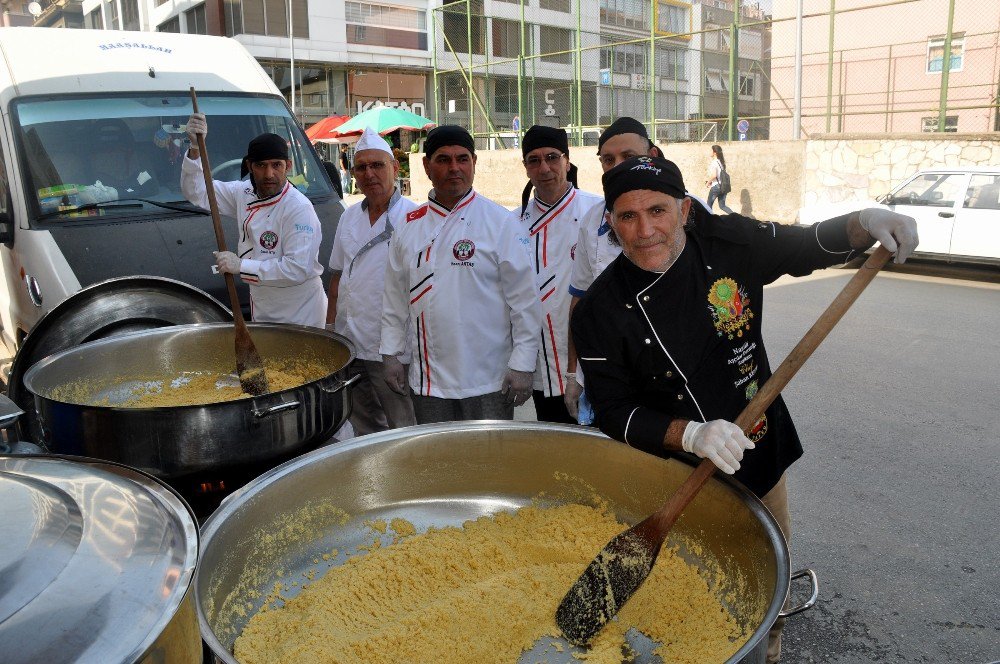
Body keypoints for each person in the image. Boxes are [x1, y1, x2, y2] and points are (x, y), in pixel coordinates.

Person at [571, 155, 919, 663]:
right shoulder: (601, 311)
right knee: (681, 580)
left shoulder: (731, 245)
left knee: (764, 574)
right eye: (627, 216)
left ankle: (766, 652)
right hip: (666, 469)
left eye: (658, 211)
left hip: (756, 456)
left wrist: (865, 222)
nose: (644, 230)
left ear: (685, 209)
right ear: (610, 221)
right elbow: (611, 411)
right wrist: (690, 435)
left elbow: (809, 245)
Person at [379, 125, 541, 423]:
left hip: (488, 379)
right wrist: (391, 354)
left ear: (474, 163)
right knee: (439, 463)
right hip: (428, 379)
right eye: (443, 159)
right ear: (426, 166)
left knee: (489, 461)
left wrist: (523, 364)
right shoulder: (409, 226)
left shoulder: (500, 222)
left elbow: (525, 302)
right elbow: (395, 298)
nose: (454, 168)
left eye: (462, 159)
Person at [182, 113, 327, 328]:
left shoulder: (298, 208)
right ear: (250, 166)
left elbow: (296, 270)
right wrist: (195, 148)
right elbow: (198, 192)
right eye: (261, 165)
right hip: (263, 306)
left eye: (276, 165)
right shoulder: (243, 193)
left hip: (299, 312)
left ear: (288, 166)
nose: (269, 174)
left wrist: (241, 266)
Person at [563, 117, 663, 421]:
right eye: (608, 159)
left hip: (671, 372)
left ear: (653, 157)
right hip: (612, 375)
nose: (617, 166)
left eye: (628, 157)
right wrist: (572, 374)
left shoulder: (688, 210)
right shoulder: (593, 220)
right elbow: (580, 303)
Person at [327, 127, 417, 436]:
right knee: (361, 422)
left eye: (377, 165)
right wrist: (330, 330)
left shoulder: (414, 218)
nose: (369, 173)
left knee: (402, 424)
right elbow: (337, 275)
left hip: (391, 347)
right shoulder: (348, 216)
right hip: (350, 342)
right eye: (362, 167)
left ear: (394, 168)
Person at [513, 125, 602, 424]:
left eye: (552, 157)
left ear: (567, 160)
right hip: (543, 369)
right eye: (534, 160)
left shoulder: (598, 212)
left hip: (596, 361)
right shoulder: (513, 223)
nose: (544, 168)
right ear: (525, 167)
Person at [89, 120, 160, 199]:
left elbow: (152, 188)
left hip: (144, 204)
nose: (113, 147)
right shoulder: (86, 162)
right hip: (99, 208)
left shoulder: (140, 158)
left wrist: (119, 193)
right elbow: (78, 193)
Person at [706, 144, 734, 213]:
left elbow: (714, 175)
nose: (710, 152)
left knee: (708, 206)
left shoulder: (714, 162)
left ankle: (710, 222)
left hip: (716, 187)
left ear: (714, 152)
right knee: (722, 206)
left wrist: (708, 182)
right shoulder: (721, 162)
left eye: (711, 150)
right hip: (723, 187)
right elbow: (719, 176)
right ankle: (736, 218)